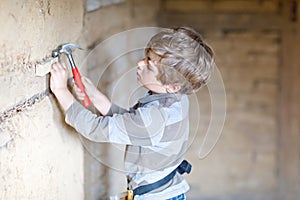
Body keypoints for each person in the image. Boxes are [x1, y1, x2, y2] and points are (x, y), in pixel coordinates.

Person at [50, 27, 215, 200]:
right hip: (169, 191)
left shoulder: (154, 117)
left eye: (149, 64)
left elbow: (96, 129)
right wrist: (96, 97)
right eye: (146, 56)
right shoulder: (177, 100)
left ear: (173, 86)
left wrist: (62, 91)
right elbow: (133, 123)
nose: (140, 63)